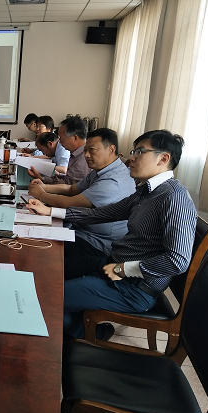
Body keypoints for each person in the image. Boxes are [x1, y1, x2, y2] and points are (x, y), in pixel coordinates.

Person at [28, 130, 197, 340]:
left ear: (163, 158)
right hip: (112, 265)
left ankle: (89, 333)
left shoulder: (174, 198)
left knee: (43, 298)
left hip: (133, 287)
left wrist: (123, 269)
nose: (132, 158)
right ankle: (76, 318)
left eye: (140, 152)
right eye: (134, 151)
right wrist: (49, 211)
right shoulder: (146, 192)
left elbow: (178, 260)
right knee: (48, 270)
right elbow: (99, 214)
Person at [28, 128, 136, 278]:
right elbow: (72, 189)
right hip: (82, 230)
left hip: (96, 243)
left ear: (111, 149)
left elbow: (70, 203)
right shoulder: (102, 170)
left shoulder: (112, 182)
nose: (86, 155)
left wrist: (42, 195)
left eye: (92, 150)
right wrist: (45, 187)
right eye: (85, 150)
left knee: (42, 254)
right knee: (35, 239)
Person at [28, 117, 90, 184]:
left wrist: (41, 179)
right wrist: (42, 178)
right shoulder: (75, 154)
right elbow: (68, 178)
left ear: (74, 138)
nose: (59, 142)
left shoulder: (84, 159)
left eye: (61, 138)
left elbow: (67, 185)